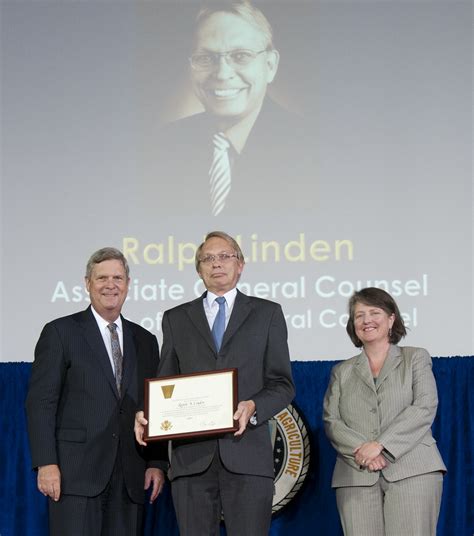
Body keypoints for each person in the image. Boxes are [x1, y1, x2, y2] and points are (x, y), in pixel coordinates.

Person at [135, 231, 295, 535]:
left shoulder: (267, 313)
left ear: (240, 265)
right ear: (199, 270)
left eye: (225, 256)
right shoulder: (176, 318)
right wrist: (148, 412)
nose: (216, 264)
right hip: (191, 459)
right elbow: (165, 381)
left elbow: (282, 384)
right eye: (208, 258)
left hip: (247, 455)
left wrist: (253, 407)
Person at [25, 247, 166, 536]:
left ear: (128, 284)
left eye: (117, 277)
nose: (110, 285)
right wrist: (46, 462)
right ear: (87, 283)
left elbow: (154, 404)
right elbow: (41, 403)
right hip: (74, 476)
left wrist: (155, 462)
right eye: (101, 278)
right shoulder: (60, 332)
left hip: (130, 474)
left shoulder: (146, 340)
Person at [144, 0, 312, 220]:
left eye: (240, 56)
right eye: (205, 58)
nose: (222, 74)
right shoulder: (162, 146)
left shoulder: (312, 147)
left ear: (270, 66)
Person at [323, 287, 446, 536]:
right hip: (356, 475)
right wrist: (364, 450)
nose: (366, 320)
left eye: (374, 312)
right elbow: (331, 421)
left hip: (413, 471)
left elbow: (424, 406)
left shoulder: (415, 358)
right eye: (359, 315)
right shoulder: (341, 371)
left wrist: (380, 445)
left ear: (391, 319)